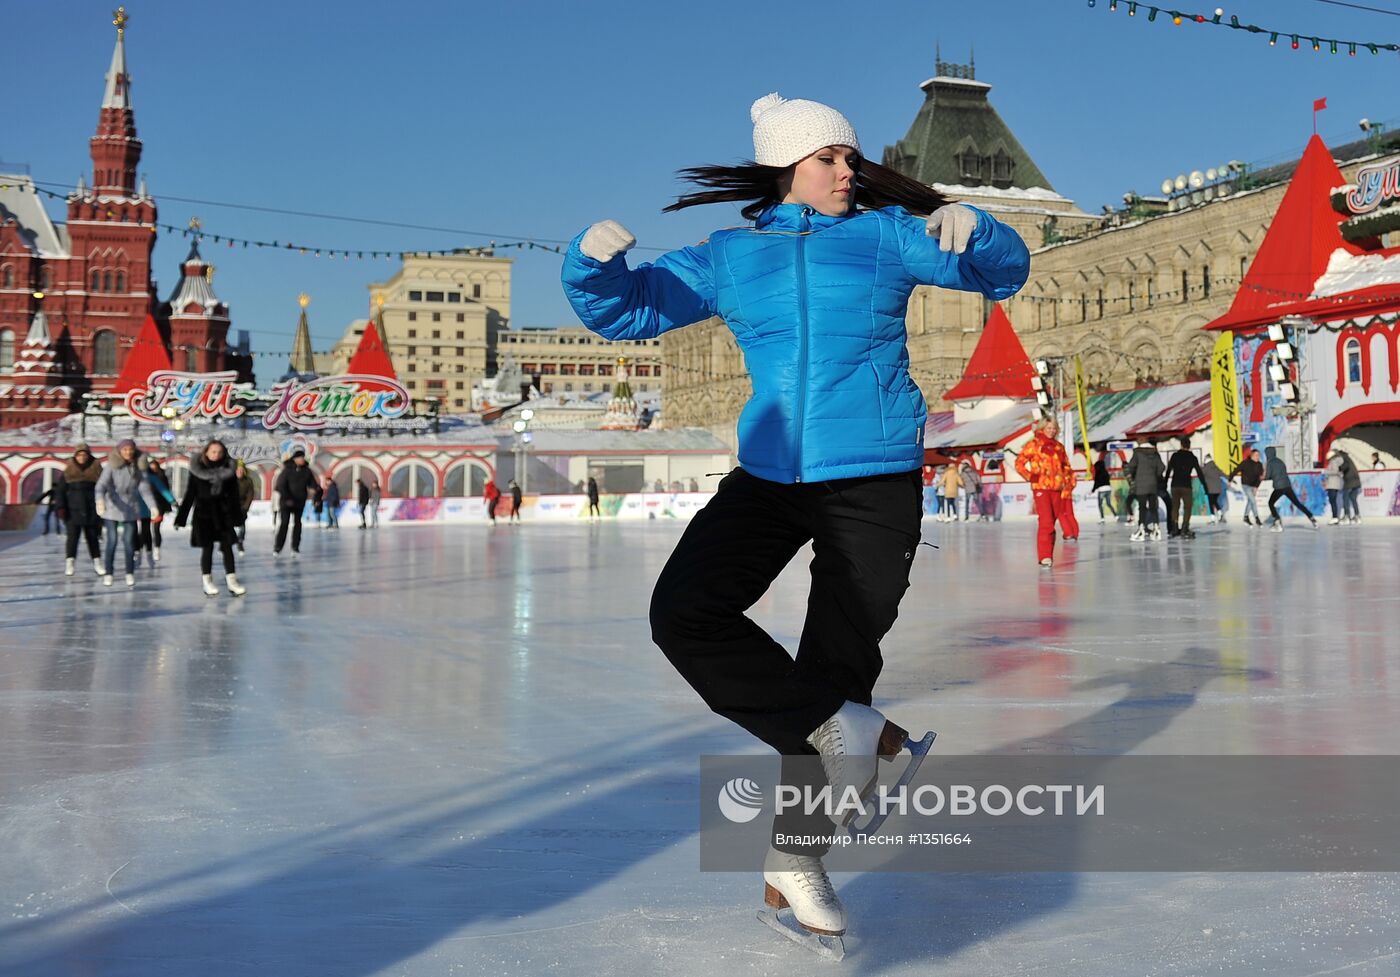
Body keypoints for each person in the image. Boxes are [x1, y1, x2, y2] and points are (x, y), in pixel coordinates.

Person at [561, 90, 1029, 939]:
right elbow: (627, 310)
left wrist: (979, 228)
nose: (849, 170)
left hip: (876, 474)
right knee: (685, 613)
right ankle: (859, 734)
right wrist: (589, 267)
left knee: (835, 670)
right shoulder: (733, 255)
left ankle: (796, 863)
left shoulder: (888, 237)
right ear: (788, 167)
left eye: (850, 158)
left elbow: (1001, 273)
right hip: (772, 472)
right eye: (830, 158)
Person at [174, 439, 247, 596]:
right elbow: (190, 495)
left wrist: (237, 518)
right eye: (213, 451)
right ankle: (207, 581)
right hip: (204, 515)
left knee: (227, 548)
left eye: (220, 452)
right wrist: (181, 518)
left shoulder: (229, 470)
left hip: (224, 514)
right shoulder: (197, 471)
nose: (216, 455)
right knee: (207, 549)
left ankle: (232, 581)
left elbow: (234, 496)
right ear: (206, 452)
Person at [94, 439, 157, 588]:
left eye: (130, 450)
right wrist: (100, 500)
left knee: (129, 543)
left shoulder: (139, 467)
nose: (128, 452)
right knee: (112, 541)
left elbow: (144, 488)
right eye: (125, 450)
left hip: (130, 508)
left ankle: (130, 572)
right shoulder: (112, 466)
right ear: (119, 451)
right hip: (112, 507)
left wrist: (153, 507)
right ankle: (109, 572)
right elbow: (101, 485)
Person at [1015, 417, 1075, 567]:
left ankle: (1048, 554)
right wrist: (1031, 476)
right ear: (1042, 428)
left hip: (1057, 488)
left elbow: (1066, 466)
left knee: (1052, 522)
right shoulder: (1033, 445)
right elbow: (1019, 463)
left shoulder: (1058, 447)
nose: (1051, 430)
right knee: (1046, 521)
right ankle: (1044, 556)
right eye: (1049, 428)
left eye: (1054, 428)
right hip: (1041, 488)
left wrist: (1068, 482)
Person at [60, 444, 103, 576]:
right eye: (79, 455)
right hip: (73, 510)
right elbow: (60, 491)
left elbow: (103, 488)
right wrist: (61, 507)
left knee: (92, 538)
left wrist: (102, 504)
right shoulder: (69, 471)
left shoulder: (96, 469)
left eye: (84, 455)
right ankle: (70, 563)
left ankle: (97, 563)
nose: (82, 457)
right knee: (72, 538)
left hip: (91, 509)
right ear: (75, 456)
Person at [273, 448, 322, 555]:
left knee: (298, 524)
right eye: (300, 458)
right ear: (295, 459)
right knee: (284, 524)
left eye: (303, 458)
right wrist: (287, 498)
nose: (302, 460)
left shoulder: (306, 471)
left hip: (299, 502)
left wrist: (317, 492)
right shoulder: (287, 470)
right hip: (286, 502)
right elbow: (280, 486)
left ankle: (295, 547)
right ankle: (278, 547)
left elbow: (313, 485)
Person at [1264, 446, 1318, 531]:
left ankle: (1277, 521)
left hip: (1279, 487)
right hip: (1287, 486)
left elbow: (1268, 476)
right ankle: (1311, 517)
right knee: (1297, 503)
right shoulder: (1280, 461)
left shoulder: (1270, 463)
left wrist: (1262, 478)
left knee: (1271, 503)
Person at [1166, 436, 1209, 539]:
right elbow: (1199, 472)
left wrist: (1165, 482)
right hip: (1186, 486)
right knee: (1187, 507)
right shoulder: (1192, 457)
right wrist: (1205, 485)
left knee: (1175, 507)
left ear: (1181, 445)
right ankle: (1184, 529)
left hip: (1175, 485)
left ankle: (1175, 528)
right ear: (1189, 446)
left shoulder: (1175, 456)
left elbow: (1169, 470)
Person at [1124, 440, 1166, 541]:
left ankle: (1141, 530)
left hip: (1141, 485)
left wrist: (1135, 476)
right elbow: (1162, 467)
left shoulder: (1138, 453)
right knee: (1153, 508)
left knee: (1142, 508)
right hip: (1153, 485)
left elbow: (1130, 467)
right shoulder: (1155, 453)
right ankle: (1157, 529)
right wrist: (1155, 475)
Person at [142, 458, 176, 565]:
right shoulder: (144, 477)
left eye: (155, 467)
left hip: (159, 505)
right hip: (146, 506)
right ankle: (146, 550)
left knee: (156, 528)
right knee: (145, 529)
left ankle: (156, 548)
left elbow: (165, 490)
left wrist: (171, 501)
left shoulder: (161, 477)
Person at [1229, 448, 1265, 526]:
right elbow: (1236, 470)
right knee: (1253, 501)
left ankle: (1245, 517)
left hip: (1253, 486)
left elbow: (1260, 477)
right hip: (1245, 485)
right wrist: (1230, 479)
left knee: (1250, 501)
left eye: (1258, 455)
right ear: (1252, 455)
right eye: (1256, 455)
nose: (1258, 457)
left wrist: (1256, 487)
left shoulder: (1259, 464)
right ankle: (1257, 518)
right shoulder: (1245, 463)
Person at [235, 460, 256, 552]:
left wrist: (246, 507)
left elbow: (250, 494)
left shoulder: (248, 481)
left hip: (242, 506)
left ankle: (240, 542)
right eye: (238, 470)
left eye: (241, 470)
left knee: (242, 526)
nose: (240, 472)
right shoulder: (230, 480)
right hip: (231, 505)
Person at [1092, 450, 1116, 523]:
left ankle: (1102, 518)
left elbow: (1097, 483)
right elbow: (1108, 479)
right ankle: (1116, 515)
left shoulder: (1098, 473)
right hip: (1108, 489)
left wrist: (1093, 490)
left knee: (1100, 504)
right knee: (1108, 503)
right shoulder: (1105, 472)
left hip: (1102, 490)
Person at [1339, 449, 1362, 524]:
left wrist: (1340, 468)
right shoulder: (1348, 459)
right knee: (1353, 498)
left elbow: (1345, 466)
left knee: (1345, 498)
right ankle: (1357, 516)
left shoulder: (1345, 459)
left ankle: (1347, 516)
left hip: (1350, 482)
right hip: (1356, 482)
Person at [1201, 454, 1226, 524]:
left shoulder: (1205, 468)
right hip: (1218, 489)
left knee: (1211, 503)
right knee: (1214, 501)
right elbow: (1222, 473)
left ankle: (1213, 518)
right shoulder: (1215, 467)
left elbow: (1200, 474)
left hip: (1210, 489)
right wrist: (1230, 478)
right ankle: (1220, 514)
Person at [1324, 450, 1345, 525]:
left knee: (1332, 501)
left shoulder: (1333, 461)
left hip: (1332, 484)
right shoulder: (1336, 461)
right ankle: (1335, 517)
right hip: (1334, 484)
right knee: (1333, 501)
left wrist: (1326, 472)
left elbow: (1335, 471)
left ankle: (1335, 517)